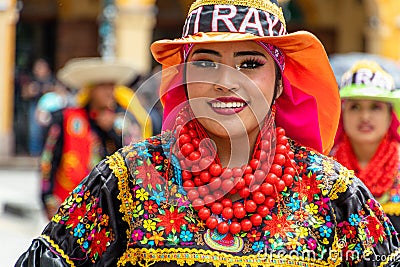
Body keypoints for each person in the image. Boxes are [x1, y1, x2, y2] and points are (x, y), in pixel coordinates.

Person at [16, 1, 400, 266]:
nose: (227, 83)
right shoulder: (128, 180)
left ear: (281, 84)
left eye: (249, 63)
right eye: (206, 63)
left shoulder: (333, 193)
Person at [39, 57, 154, 220]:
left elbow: (134, 163)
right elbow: (48, 160)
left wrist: (112, 132)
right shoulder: (66, 118)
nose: (110, 92)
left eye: (112, 86)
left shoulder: (122, 123)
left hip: (107, 211)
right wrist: (47, 197)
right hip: (68, 204)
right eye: (103, 86)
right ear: (91, 90)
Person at [330, 60, 400, 232]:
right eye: (355, 107)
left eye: (375, 107)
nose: (365, 116)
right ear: (342, 114)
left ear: (390, 115)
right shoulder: (324, 168)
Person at [21, 58, 56, 156]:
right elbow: (24, 94)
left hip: (50, 109)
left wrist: (49, 90)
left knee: (51, 131)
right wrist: (31, 91)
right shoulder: (32, 80)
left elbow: (60, 92)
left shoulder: (52, 79)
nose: (39, 70)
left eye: (41, 67)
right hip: (35, 107)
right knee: (34, 131)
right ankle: (35, 153)